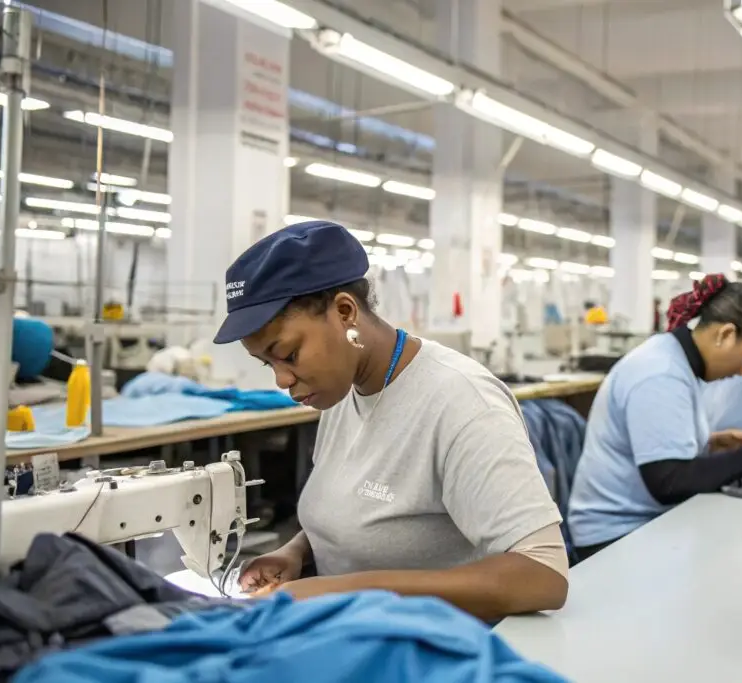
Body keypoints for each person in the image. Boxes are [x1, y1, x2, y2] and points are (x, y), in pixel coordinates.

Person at [219, 221, 567, 621]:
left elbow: (543, 575)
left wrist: (342, 591)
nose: (281, 380)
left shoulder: (461, 401)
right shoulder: (340, 394)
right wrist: (296, 553)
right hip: (356, 636)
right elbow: (363, 515)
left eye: (290, 354)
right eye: (268, 363)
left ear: (345, 312)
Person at [566, 274, 742, 561]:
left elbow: (650, 447)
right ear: (725, 335)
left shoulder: (674, 361)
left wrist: (709, 443)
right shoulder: (661, 373)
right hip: (615, 537)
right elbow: (669, 483)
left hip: (641, 522)